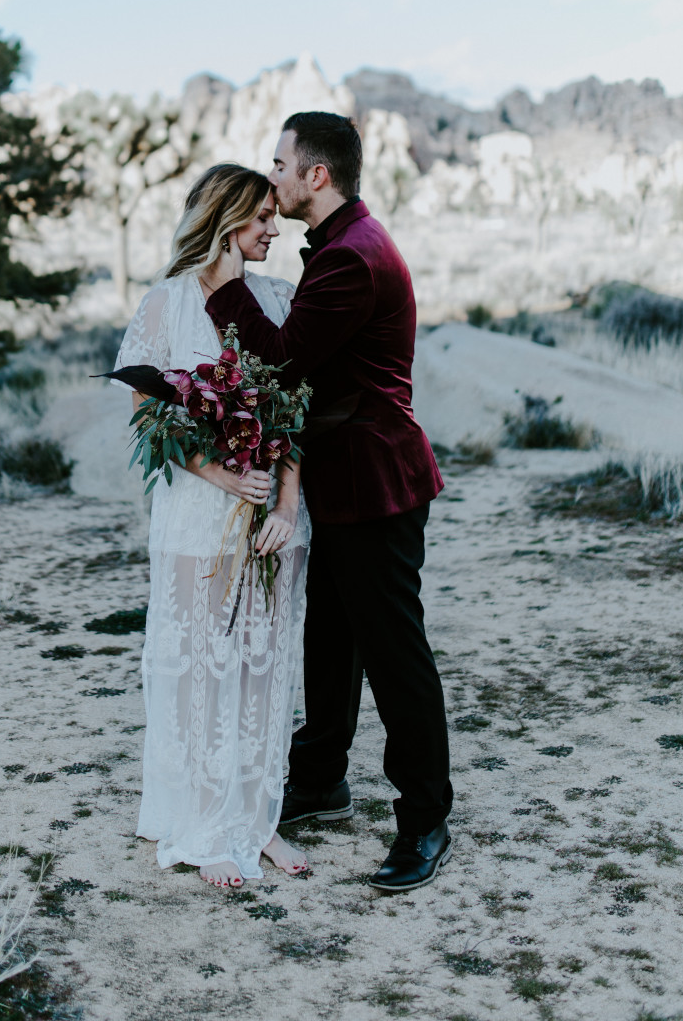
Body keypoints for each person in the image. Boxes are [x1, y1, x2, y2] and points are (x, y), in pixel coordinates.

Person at [201, 111, 453, 893]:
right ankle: (319, 778)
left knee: (392, 653)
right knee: (330, 640)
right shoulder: (347, 243)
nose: (268, 176)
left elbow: (279, 363)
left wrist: (224, 292)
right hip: (346, 477)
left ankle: (424, 820)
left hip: (375, 480)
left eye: (278, 164)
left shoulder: (349, 258)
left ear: (317, 175)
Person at [115, 164, 311, 889]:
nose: (273, 228)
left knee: (263, 671)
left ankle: (256, 821)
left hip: (271, 519)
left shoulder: (279, 300)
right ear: (226, 219)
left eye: (275, 215)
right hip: (199, 515)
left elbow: (296, 415)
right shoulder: (165, 304)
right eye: (261, 216)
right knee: (202, 670)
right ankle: (205, 828)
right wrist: (224, 474)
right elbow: (146, 412)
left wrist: (286, 503)